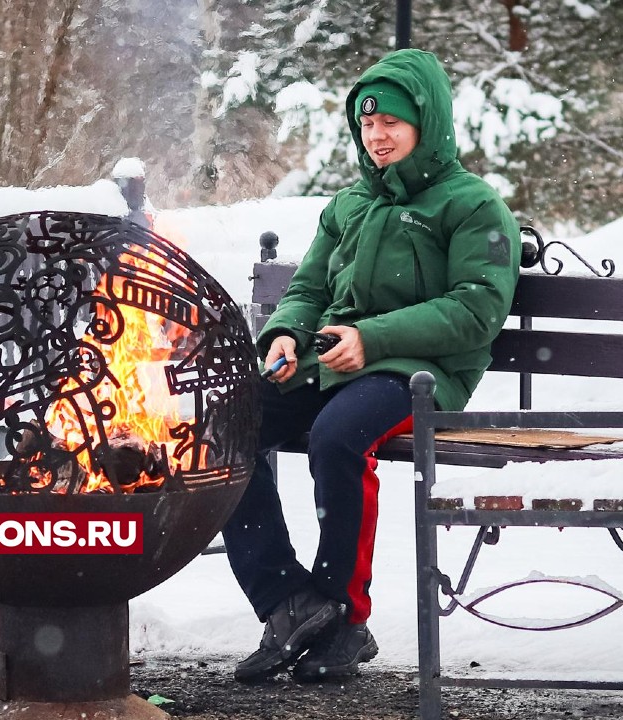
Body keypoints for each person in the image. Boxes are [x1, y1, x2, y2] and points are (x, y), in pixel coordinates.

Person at [222, 48, 521, 684]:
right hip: (332, 358)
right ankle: (288, 603)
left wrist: (373, 338)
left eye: (391, 122)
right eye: (366, 124)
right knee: (225, 429)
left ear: (426, 122)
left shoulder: (472, 206)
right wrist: (283, 333)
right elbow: (306, 288)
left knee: (337, 437)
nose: (377, 136)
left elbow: (475, 310)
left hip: (420, 372)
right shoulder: (350, 204)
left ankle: (342, 613)